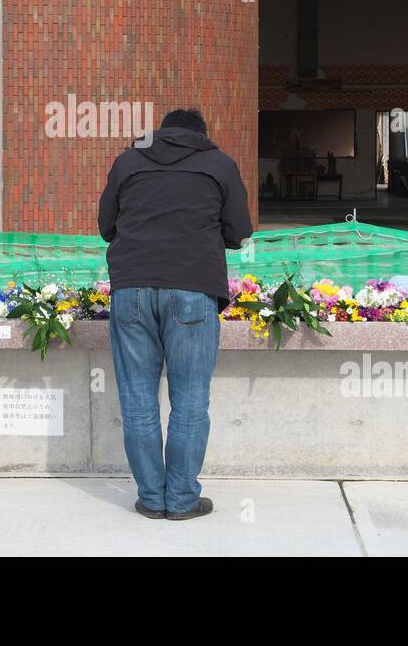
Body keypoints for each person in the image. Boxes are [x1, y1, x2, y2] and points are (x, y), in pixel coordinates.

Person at [97, 108, 253, 520]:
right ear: (201, 134)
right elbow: (239, 231)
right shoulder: (219, 163)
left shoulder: (128, 161)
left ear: (162, 131)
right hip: (193, 289)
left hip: (131, 290)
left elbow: (105, 226)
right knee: (189, 400)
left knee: (137, 400)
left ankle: (151, 498)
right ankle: (182, 500)